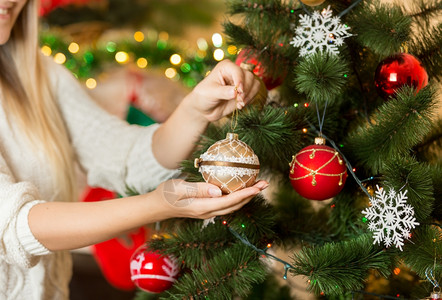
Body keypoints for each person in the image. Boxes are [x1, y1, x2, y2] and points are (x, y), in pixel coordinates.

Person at [0, 0, 269, 298]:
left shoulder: (36, 72)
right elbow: (13, 227)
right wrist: (159, 204)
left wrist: (196, 109)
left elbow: (125, 158)